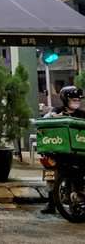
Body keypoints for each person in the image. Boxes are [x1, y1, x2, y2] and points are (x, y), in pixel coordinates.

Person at [40, 86, 85, 214]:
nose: (76, 101)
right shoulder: (54, 112)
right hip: (58, 152)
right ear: (65, 99)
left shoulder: (82, 115)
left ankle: (79, 195)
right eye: (73, 99)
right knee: (49, 172)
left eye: (78, 99)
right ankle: (50, 203)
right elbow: (43, 126)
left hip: (77, 153)